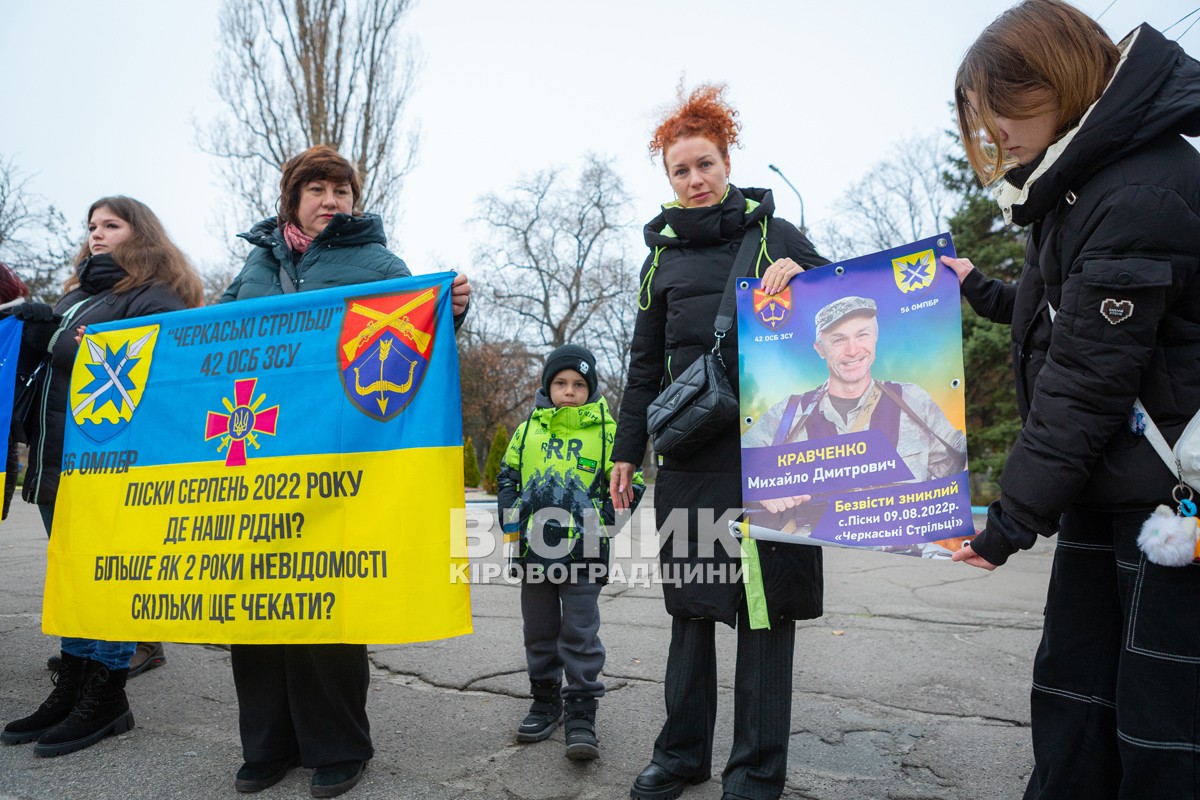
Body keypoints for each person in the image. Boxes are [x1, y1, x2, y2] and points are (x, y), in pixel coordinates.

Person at [940, 2, 1200, 797]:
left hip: (1163, 501)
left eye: (999, 115)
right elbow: (1070, 310)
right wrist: (980, 290)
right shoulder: (1092, 177)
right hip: (1111, 482)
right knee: (1078, 691)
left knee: (1157, 721)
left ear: (1056, 80)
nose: (994, 140)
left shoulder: (1137, 188)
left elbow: (1089, 376)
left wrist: (1011, 520)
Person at [220, 144, 470, 799]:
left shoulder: (379, 265)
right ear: (292, 198)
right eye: (316, 189)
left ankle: (337, 747)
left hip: (338, 465)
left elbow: (412, 348)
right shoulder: (256, 264)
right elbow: (214, 344)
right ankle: (268, 745)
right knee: (257, 606)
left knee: (324, 604)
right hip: (253, 468)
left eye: (342, 191)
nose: (331, 201)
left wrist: (453, 313)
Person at [610, 85, 827, 800]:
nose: (695, 179)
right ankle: (679, 758)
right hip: (692, 457)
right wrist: (624, 450)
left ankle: (756, 774)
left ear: (727, 162)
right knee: (693, 611)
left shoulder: (777, 236)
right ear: (667, 179)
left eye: (705, 164)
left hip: (777, 456)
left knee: (765, 614)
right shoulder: (658, 264)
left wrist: (810, 280)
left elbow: (857, 311)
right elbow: (644, 368)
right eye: (681, 170)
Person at [0, 196, 204, 757]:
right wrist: (39, 333)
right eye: (92, 226)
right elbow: (56, 365)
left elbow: (154, 375)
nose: (96, 234)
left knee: (104, 580)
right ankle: (70, 688)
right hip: (54, 457)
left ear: (141, 234)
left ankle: (107, 696)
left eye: (110, 225)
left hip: (109, 467)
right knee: (72, 578)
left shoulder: (152, 297)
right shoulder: (79, 296)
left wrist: (65, 344)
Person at [496, 343, 644, 761]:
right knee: (539, 630)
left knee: (579, 633)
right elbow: (507, 476)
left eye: (579, 384)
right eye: (560, 383)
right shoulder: (527, 431)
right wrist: (513, 519)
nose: (569, 391)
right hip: (534, 554)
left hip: (585, 554)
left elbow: (629, 487)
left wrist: (602, 530)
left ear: (591, 389)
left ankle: (582, 707)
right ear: (547, 386)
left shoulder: (610, 432)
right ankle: (545, 700)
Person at [742, 295, 967, 513]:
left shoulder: (912, 401)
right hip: (819, 549)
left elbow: (958, 466)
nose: (853, 350)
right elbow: (740, 466)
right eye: (838, 339)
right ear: (820, 349)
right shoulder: (790, 412)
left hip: (905, 548)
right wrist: (763, 487)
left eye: (862, 335)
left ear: (875, 338)